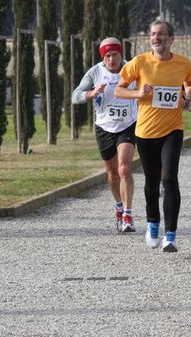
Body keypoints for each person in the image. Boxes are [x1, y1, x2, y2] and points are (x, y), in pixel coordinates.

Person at [115, 20, 191, 253]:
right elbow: (118, 89)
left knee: (170, 178)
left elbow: (190, 85)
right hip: (145, 132)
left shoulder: (183, 64)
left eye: (161, 34)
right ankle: (153, 223)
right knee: (151, 182)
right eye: (153, 34)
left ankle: (170, 235)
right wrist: (137, 93)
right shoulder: (140, 62)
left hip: (173, 129)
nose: (156, 38)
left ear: (171, 38)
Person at [72, 37, 138, 233]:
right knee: (112, 175)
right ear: (103, 57)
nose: (111, 60)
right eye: (107, 56)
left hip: (127, 125)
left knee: (125, 168)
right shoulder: (95, 72)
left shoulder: (132, 68)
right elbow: (75, 96)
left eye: (115, 55)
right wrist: (91, 94)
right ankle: (118, 206)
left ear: (121, 54)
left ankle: (128, 215)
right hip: (104, 127)